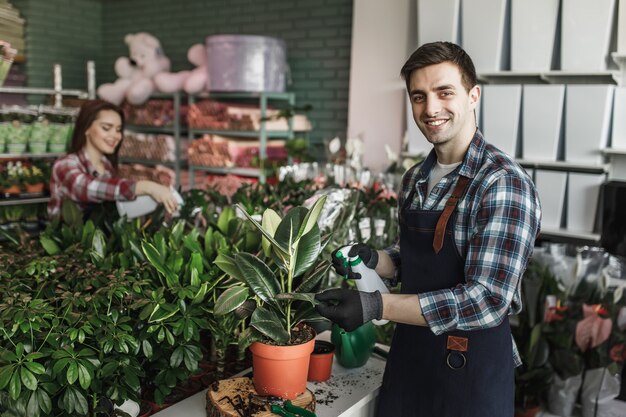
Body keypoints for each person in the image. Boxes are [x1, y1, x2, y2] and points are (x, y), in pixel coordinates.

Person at [315, 42, 541, 416]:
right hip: (410, 361)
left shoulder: (502, 183)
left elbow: (487, 300)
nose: (431, 108)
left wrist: (375, 305)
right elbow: (422, 262)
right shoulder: (415, 178)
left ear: (473, 96)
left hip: (467, 376)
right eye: (419, 97)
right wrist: (378, 260)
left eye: (444, 92)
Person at [47, 99, 179, 219]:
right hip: (67, 243)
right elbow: (87, 188)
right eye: (106, 128)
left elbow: (112, 203)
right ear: (86, 128)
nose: (115, 135)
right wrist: (146, 187)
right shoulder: (65, 164)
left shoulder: (106, 166)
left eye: (118, 130)